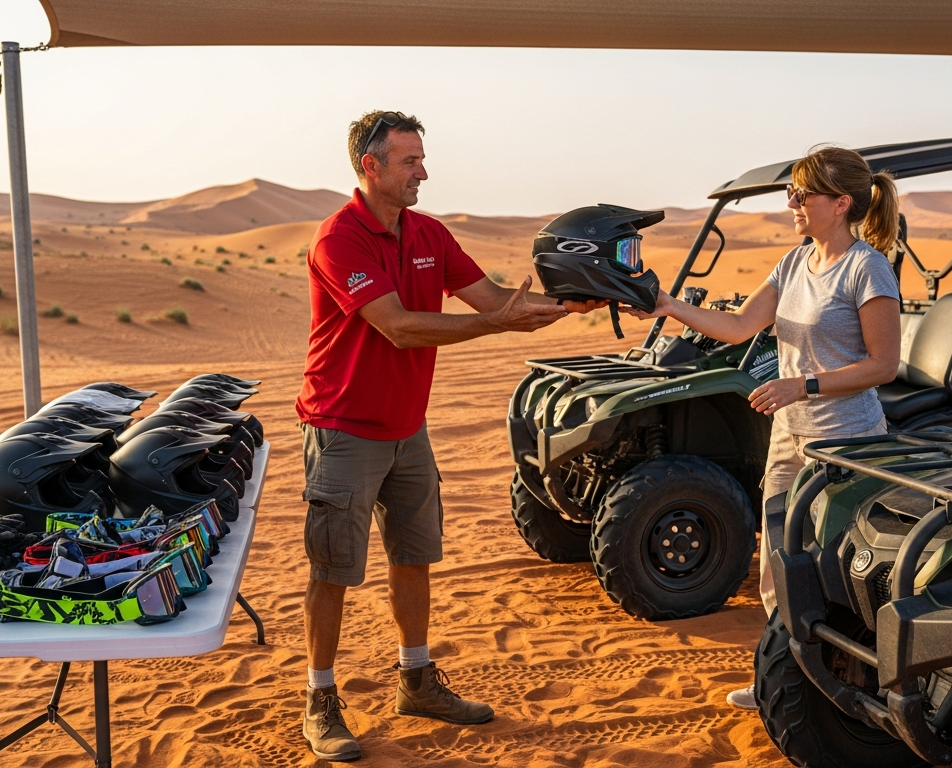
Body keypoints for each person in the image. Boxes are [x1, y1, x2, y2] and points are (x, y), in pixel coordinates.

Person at [296, 110, 602, 761]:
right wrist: (500, 326)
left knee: (415, 554)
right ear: (370, 166)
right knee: (334, 567)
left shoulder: (429, 234)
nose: (423, 172)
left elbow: (496, 302)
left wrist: (573, 303)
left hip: (409, 429)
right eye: (410, 161)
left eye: (421, 158)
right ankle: (320, 698)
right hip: (343, 429)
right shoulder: (338, 240)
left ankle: (416, 680)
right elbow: (399, 326)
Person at [622, 145, 902, 710]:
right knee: (777, 560)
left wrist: (805, 384)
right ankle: (782, 675)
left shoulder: (867, 268)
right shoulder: (794, 261)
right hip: (789, 438)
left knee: (836, 565)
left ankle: (847, 683)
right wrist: (668, 305)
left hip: (845, 443)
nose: (792, 202)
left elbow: (883, 364)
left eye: (803, 192)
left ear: (841, 202)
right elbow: (739, 326)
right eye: (792, 191)